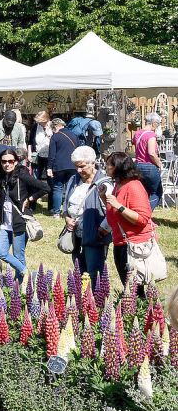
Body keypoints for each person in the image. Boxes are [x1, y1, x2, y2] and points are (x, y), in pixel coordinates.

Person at [0, 148, 49, 281]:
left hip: (20, 220)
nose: (7, 164)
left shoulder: (22, 175)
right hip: (5, 222)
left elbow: (45, 187)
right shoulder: (1, 175)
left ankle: (20, 284)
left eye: (10, 161)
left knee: (18, 255)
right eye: (4, 161)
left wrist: (30, 199)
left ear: (16, 161)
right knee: (0, 252)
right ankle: (25, 272)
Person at [102, 152, 156, 285]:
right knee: (128, 287)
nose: (106, 167)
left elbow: (142, 218)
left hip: (134, 246)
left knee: (135, 290)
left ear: (118, 167)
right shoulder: (119, 185)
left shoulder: (134, 186)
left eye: (108, 164)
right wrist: (104, 197)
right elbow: (115, 213)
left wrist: (118, 205)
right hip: (120, 243)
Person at [61, 146, 112, 284]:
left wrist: (103, 230)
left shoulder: (104, 183)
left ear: (92, 163)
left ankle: (97, 302)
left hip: (94, 235)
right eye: (76, 166)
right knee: (79, 271)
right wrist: (66, 217)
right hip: (75, 235)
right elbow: (65, 204)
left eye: (82, 166)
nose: (78, 170)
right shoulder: (73, 180)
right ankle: (81, 301)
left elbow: (112, 212)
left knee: (94, 273)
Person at [47, 117, 80, 214]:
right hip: (72, 165)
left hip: (59, 166)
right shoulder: (74, 135)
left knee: (58, 188)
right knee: (71, 188)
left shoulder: (55, 137)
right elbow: (78, 151)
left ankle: (56, 212)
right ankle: (70, 211)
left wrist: (49, 167)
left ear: (55, 126)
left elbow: (52, 154)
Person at [132, 112, 164, 209]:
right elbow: (151, 153)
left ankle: (138, 213)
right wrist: (159, 164)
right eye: (158, 124)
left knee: (144, 192)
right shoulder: (151, 135)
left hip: (138, 166)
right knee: (157, 192)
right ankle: (146, 215)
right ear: (154, 123)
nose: (157, 126)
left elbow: (137, 148)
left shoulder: (137, 133)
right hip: (149, 167)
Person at [29, 111, 52, 182]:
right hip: (37, 154)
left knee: (50, 177)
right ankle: (36, 191)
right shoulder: (35, 127)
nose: (41, 124)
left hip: (50, 155)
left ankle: (50, 192)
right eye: (40, 122)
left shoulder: (53, 126)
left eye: (43, 122)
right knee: (35, 176)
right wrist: (29, 154)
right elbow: (30, 141)